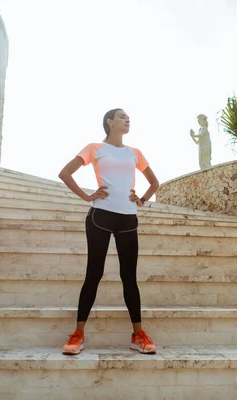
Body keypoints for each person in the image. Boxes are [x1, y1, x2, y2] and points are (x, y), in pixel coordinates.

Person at [58, 108, 160, 355]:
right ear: (110, 122)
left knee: (129, 278)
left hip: (128, 219)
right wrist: (87, 196)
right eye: (122, 116)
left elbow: (155, 183)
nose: (127, 119)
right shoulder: (95, 148)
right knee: (94, 274)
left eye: (128, 117)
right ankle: (78, 334)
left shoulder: (135, 153)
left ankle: (138, 334)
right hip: (100, 217)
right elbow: (65, 173)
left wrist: (142, 199)